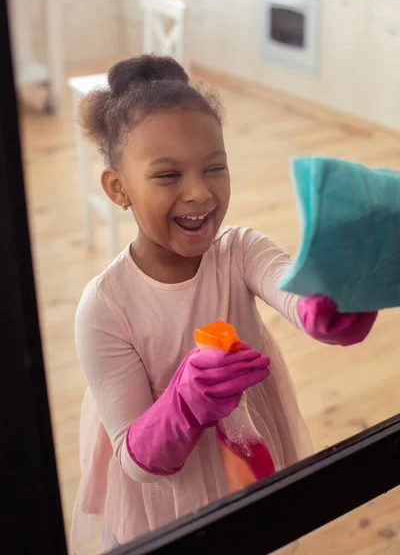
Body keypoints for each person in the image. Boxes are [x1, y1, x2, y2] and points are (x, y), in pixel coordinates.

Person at [70, 55, 377, 554]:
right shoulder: (105, 308)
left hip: (247, 449)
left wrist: (330, 306)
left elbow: (292, 291)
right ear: (117, 187)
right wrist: (184, 404)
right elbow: (134, 461)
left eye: (215, 167)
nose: (199, 192)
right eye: (168, 176)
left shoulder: (240, 250)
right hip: (167, 488)